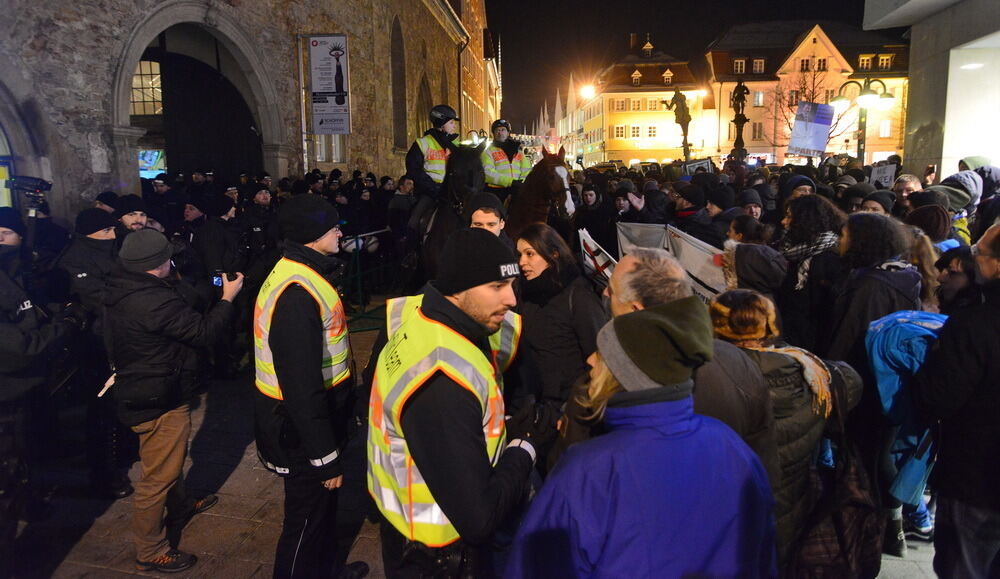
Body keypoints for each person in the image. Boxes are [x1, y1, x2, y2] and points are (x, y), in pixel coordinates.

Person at [507, 304, 776, 578]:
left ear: (626, 374)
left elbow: (537, 565)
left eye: (603, 354)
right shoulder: (730, 446)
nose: (589, 359)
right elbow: (761, 554)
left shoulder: (589, 470)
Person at [367, 227, 556, 577]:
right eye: (497, 287)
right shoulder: (440, 380)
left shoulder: (425, 323)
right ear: (457, 290)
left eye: (512, 286)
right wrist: (525, 446)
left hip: (410, 537)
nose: (512, 300)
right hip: (440, 556)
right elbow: (479, 520)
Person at [552, 248, 780, 483]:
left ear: (635, 311)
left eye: (612, 290)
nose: (605, 292)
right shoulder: (738, 360)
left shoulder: (604, 378)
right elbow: (765, 470)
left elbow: (570, 476)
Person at [103, 229, 243, 573]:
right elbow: (204, 332)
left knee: (167, 456)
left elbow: (185, 301)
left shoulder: (127, 285)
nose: (172, 261)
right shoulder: (151, 300)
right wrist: (228, 298)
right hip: (158, 395)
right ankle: (150, 550)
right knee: (156, 476)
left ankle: (180, 505)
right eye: (168, 258)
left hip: (155, 386)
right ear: (155, 265)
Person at [251, 195, 359, 578]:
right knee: (305, 521)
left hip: (320, 417)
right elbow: (301, 386)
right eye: (334, 228)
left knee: (325, 510)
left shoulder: (303, 271)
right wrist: (323, 454)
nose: (340, 233)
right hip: (300, 431)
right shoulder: (296, 294)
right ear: (314, 237)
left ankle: (327, 570)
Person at [709, 289, 856, 569]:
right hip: (789, 512)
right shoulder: (809, 373)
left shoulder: (703, 378)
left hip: (724, 516)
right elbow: (852, 382)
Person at [825, 212, 922, 557]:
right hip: (892, 383)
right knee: (881, 454)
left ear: (862, 241)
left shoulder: (869, 285)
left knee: (865, 459)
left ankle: (869, 532)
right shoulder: (903, 276)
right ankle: (889, 527)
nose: (840, 240)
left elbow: (848, 338)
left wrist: (828, 377)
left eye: (845, 234)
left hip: (865, 384)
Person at [0, 208, 84, 577]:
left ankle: (30, 501)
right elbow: (20, 346)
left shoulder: (18, 274)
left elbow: (30, 315)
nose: (1, 240)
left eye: (6, 233)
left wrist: (57, 315)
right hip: (7, 395)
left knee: (27, 459)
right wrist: (63, 328)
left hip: (28, 391)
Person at [913, 223, 1000, 578]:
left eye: (979, 253)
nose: (973, 259)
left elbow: (939, 397)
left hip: (977, 481)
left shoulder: (976, 325)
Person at [58, 208, 136, 498]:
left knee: (120, 404)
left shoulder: (113, 248)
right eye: (106, 232)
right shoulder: (74, 260)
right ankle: (104, 472)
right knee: (101, 411)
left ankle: (124, 451)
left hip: (119, 339)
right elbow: (98, 298)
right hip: (95, 345)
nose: (112, 236)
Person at [515, 223, 607, 407]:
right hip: (534, 405)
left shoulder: (579, 295)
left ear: (553, 254)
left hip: (569, 406)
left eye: (530, 254)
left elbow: (599, 357)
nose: (521, 262)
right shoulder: (523, 294)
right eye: (519, 255)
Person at [775, 195, 846, 352]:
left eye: (789, 217)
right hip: (789, 336)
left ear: (807, 221)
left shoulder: (829, 259)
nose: (783, 222)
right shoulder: (790, 249)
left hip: (811, 343)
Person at [405, 104, 460, 235]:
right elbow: (414, 169)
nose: (454, 126)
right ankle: (411, 253)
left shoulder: (456, 145)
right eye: (451, 123)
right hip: (430, 193)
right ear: (442, 124)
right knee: (414, 222)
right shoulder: (422, 143)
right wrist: (433, 187)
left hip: (452, 193)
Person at [481, 119, 532, 204]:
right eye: (497, 130)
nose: (500, 133)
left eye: (503, 130)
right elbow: (488, 173)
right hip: (497, 193)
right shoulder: (488, 152)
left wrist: (522, 183)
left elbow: (526, 170)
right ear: (493, 134)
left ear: (508, 133)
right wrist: (511, 182)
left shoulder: (518, 151)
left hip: (517, 190)